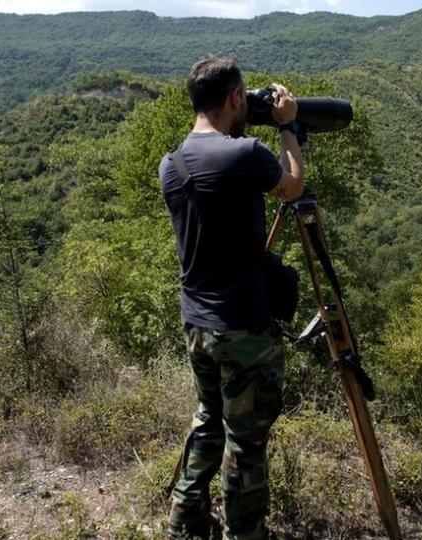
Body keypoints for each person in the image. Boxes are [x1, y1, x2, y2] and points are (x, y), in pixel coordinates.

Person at [158, 57, 305, 540]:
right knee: (245, 443)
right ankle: (244, 533)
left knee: (208, 419)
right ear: (236, 99)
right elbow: (293, 186)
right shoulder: (245, 153)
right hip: (242, 325)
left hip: (196, 323)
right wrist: (289, 128)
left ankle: (185, 517)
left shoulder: (170, 164)